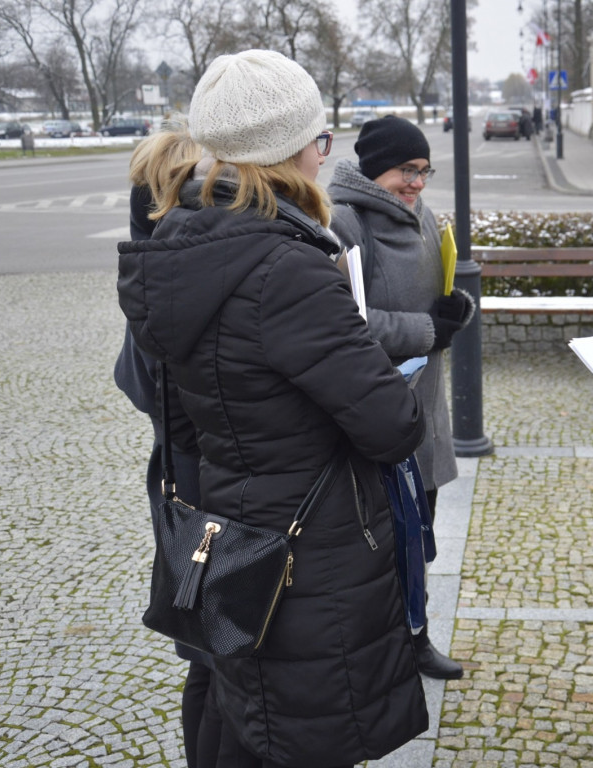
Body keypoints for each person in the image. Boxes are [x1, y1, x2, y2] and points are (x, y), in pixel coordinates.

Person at [117, 49, 428, 768]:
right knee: (303, 730)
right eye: (320, 141)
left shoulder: (178, 252)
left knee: (244, 713)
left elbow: (183, 420)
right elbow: (393, 426)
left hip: (231, 529)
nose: (324, 157)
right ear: (293, 150)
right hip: (308, 554)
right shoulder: (287, 268)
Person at [327, 114, 473, 681]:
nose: (416, 183)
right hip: (376, 413)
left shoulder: (424, 215)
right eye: (404, 171)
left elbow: (436, 295)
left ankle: (417, 639)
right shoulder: (343, 222)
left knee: (420, 542)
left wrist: (455, 308)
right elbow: (344, 320)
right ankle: (377, 656)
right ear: (372, 169)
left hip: (425, 411)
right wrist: (429, 329)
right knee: (380, 548)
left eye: (423, 170)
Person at [113, 119, 222, 768]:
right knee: (217, 661)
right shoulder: (179, 290)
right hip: (207, 496)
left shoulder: (149, 282)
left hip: (179, 491)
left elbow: (129, 380)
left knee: (207, 661)